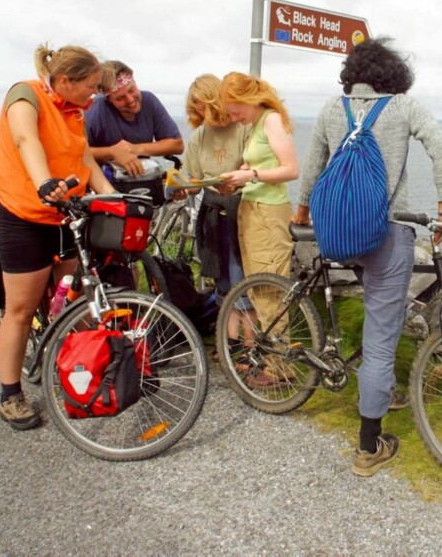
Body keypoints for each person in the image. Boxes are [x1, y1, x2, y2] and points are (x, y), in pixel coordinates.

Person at [292, 38, 442, 477]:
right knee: (382, 338)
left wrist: (301, 212)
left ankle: (378, 389)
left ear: (353, 73)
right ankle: (370, 446)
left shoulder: (332, 108)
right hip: (387, 234)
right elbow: (441, 150)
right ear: (394, 74)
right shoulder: (404, 107)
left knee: (378, 320)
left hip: (340, 234)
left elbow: (312, 165)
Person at [0, 44, 115, 430]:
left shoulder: (75, 110)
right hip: (25, 217)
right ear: (65, 80)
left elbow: (85, 160)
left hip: (66, 217)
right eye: (90, 86)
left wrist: (113, 198)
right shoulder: (24, 95)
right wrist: (44, 181)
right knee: (21, 309)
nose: (94, 95)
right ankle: (10, 394)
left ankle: (72, 374)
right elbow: (26, 140)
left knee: (71, 304)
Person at [218, 72, 300, 386]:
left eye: (234, 109)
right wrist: (239, 177)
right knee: (257, 288)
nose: (233, 116)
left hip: (267, 213)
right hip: (252, 210)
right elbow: (263, 169)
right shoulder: (256, 125)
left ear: (248, 99)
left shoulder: (271, 120)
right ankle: (271, 362)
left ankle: (281, 370)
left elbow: (291, 169)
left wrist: (250, 175)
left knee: (269, 292)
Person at [183, 74, 254, 348]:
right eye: (197, 109)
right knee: (222, 281)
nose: (201, 114)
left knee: (241, 280)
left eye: (204, 107)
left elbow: (253, 168)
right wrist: (180, 188)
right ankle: (229, 343)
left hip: (241, 211)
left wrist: (235, 179)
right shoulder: (199, 135)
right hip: (212, 213)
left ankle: (250, 345)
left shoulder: (243, 127)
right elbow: (194, 180)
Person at [84, 60, 184, 177]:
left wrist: (136, 149)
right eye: (120, 98)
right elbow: (77, 152)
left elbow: (177, 145)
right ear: (108, 99)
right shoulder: (95, 109)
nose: (130, 100)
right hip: (102, 180)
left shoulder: (149, 101)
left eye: (131, 90)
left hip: (140, 178)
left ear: (135, 81)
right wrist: (113, 153)